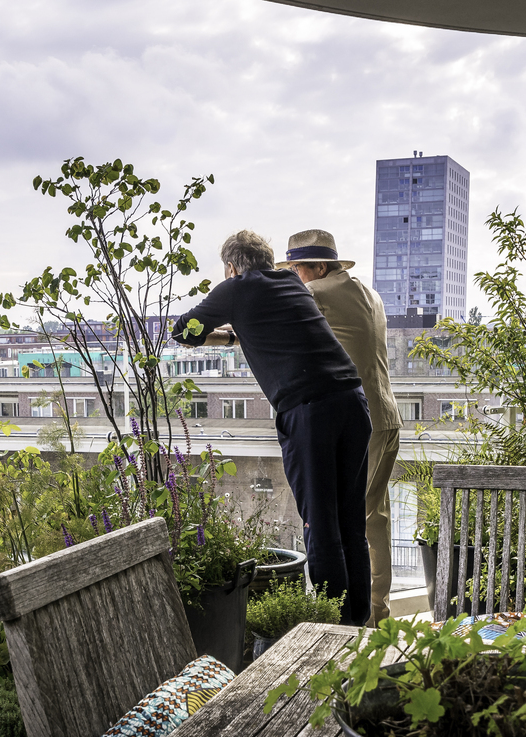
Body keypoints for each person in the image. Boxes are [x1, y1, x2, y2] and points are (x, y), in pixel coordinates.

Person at [170, 230, 373, 625]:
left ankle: (334, 634)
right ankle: (359, 625)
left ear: (231, 266)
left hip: (310, 412)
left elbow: (183, 330)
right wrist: (238, 337)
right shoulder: (290, 284)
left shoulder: (235, 288)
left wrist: (225, 339)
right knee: (350, 520)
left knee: (320, 524)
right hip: (352, 402)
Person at [277, 230, 401, 626]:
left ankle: (348, 622)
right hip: (387, 417)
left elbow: (279, 331)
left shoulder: (318, 295)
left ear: (319, 266)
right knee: (374, 520)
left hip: (354, 422)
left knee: (344, 523)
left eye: (297, 268)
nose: (295, 276)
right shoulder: (371, 294)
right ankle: (377, 614)